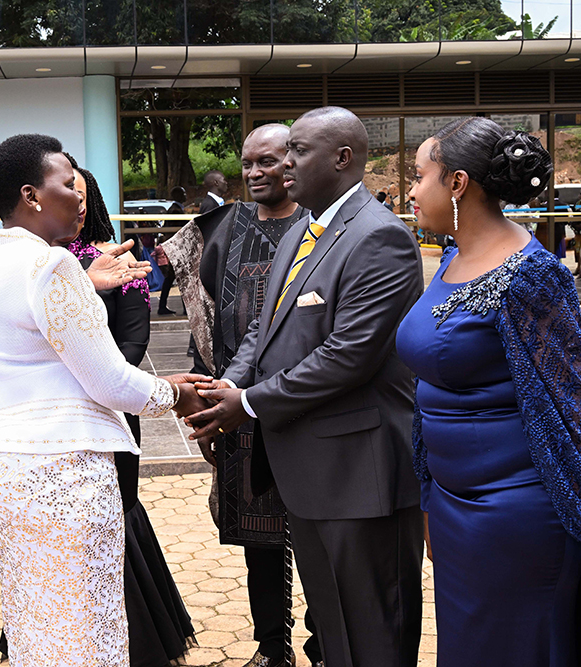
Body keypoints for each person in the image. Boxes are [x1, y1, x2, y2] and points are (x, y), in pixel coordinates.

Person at [398, 116, 581, 667]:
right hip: (454, 511)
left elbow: (578, 417)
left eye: (419, 176)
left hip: (518, 520)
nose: (410, 191)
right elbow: (430, 392)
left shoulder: (532, 276)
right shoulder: (451, 260)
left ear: (458, 183)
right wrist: (428, 502)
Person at [186, 107, 425, 667]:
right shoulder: (302, 229)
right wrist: (229, 383)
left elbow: (348, 357)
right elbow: (261, 332)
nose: (285, 163)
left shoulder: (380, 238)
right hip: (308, 474)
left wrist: (245, 403)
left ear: (343, 158)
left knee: (375, 633)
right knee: (337, 634)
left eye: (298, 150)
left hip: (359, 475)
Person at [0, 133, 208, 666]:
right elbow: (112, 383)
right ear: (31, 195)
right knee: (87, 627)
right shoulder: (53, 266)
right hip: (58, 468)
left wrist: (84, 284)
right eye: (69, 183)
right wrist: (176, 393)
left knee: (36, 616)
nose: (82, 197)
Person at [164, 123, 322, 667]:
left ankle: (323, 643)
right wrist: (206, 394)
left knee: (317, 535)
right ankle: (272, 649)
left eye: (268, 162)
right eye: (247, 163)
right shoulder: (222, 232)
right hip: (239, 409)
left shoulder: (320, 229)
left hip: (310, 406)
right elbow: (205, 323)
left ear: (294, 163)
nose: (254, 173)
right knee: (260, 540)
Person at [68, 160, 197, 666]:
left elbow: (131, 345)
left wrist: (88, 380)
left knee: (115, 516)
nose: (75, 206)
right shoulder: (40, 266)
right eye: (65, 194)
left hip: (114, 412)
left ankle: (134, 641)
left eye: (82, 196)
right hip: (58, 429)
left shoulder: (121, 260)